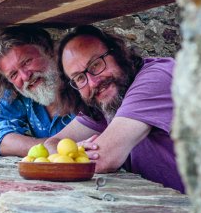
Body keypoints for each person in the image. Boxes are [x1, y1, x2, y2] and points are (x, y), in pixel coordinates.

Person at [45, 25, 185, 192]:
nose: (93, 82)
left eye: (96, 65)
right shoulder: (107, 102)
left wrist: (73, 152)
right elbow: (51, 143)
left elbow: (103, 159)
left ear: (117, 53)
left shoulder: (156, 78)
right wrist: (71, 153)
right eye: (80, 78)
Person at [0, 25, 74, 157]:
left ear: (49, 51)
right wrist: (51, 148)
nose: (25, 76)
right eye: (13, 75)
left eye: (26, 62)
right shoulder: (19, 94)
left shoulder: (79, 81)